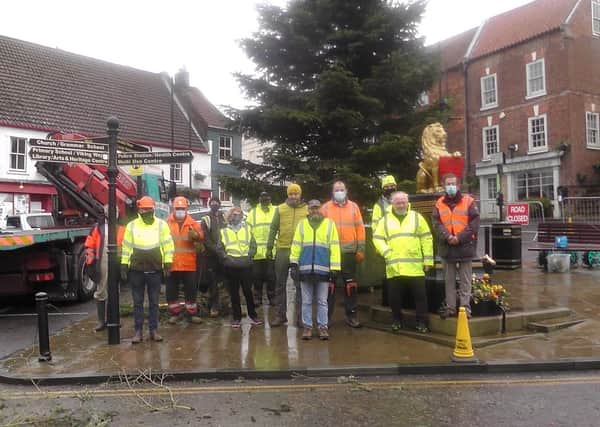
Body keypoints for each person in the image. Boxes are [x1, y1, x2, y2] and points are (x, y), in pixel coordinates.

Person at [373, 191, 434, 333]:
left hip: (415, 266)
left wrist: (428, 260)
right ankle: (396, 321)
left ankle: (421, 323)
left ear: (407, 203)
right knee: (394, 298)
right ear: (392, 204)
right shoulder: (385, 220)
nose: (401, 205)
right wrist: (387, 252)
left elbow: (427, 238)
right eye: (397, 202)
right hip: (395, 266)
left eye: (403, 202)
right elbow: (377, 238)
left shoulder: (417, 217)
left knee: (420, 297)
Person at [121, 196, 174, 343]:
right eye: (144, 209)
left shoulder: (161, 225)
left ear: (153, 210)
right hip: (136, 269)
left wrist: (168, 263)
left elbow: (168, 245)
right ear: (140, 210)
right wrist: (124, 265)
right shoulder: (131, 226)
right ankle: (138, 331)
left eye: (149, 209)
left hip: (155, 268)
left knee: (154, 302)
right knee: (137, 302)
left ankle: (153, 330)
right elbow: (126, 247)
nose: (147, 212)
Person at [290, 199, 341, 340]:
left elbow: (335, 247)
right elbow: (296, 245)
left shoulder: (329, 225)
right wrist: (294, 264)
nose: (315, 210)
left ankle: (323, 327)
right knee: (306, 301)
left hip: (323, 270)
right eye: (312, 208)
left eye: (317, 208)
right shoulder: (302, 224)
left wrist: (335, 267)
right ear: (308, 210)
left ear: (321, 209)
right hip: (305, 270)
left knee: (322, 301)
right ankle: (307, 328)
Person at [432, 173, 480, 319]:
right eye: (448, 184)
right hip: (448, 248)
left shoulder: (469, 201)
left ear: (458, 186)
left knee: (465, 280)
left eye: (453, 184)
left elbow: (474, 223)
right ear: (444, 186)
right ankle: (451, 307)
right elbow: (436, 224)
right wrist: (448, 237)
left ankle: (465, 308)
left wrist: (459, 238)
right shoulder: (439, 203)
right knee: (449, 281)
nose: (451, 186)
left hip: (464, 246)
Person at [321, 180, 365, 328]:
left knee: (350, 285)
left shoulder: (354, 207)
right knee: (329, 286)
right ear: (332, 192)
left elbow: (360, 229)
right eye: (336, 189)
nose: (339, 191)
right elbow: (320, 231)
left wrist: (361, 249)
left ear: (346, 190)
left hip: (348, 253)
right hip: (330, 254)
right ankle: (326, 317)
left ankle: (351, 315)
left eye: (341, 189)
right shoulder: (325, 208)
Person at [266, 183, 308, 327]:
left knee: (300, 285)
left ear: (300, 195)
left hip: (300, 251)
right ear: (288, 195)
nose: (293, 196)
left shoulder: (307, 210)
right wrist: (269, 245)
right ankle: (280, 315)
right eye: (291, 194)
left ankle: (301, 317)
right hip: (282, 249)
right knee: (280, 284)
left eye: (296, 194)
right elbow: (273, 228)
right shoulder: (280, 209)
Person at [217, 206, 263, 328]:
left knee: (248, 292)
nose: (236, 216)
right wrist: (226, 259)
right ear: (230, 216)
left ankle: (253, 316)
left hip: (246, 265)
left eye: (239, 214)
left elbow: (253, 245)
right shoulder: (223, 231)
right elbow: (220, 248)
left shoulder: (247, 229)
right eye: (234, 214)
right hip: (231, 266)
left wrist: (250, 256)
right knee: (234, 293)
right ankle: (236, 317)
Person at [84, 207, 125, 332]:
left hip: (117, 262)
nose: (114, 214)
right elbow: (90, 245)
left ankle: (114, 319)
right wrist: (90, 262)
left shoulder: (122, 228)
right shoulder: (98, 228)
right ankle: (101, 321)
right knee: (101, 290)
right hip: (102, 261)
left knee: (115, 291)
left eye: (116, 212)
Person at [166, 196, 205, 324]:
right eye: (178, 208)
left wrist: (197, 236)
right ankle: (175, 314)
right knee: (172, 290)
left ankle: (191, 314)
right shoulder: (167, 223)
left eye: (182, 208)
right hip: (172, 263)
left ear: (186, 209)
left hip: (189, 263)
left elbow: (201, 237)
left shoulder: (192, 223)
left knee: (191, 290)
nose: (180, 211)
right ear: (173, 208)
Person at [371, 175, 397, 307]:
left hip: (401, 242)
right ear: (383, 189)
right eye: (386, 187)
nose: (390, 188)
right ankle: (388, 300)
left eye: (392, 185)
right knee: (388, 274)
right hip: (386, 243)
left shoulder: (402, 200)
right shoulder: (378, 205)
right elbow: (375, 226)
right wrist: (378, 245)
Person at [247, 192, 276, 306]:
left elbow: (279, 228)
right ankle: (257, 297)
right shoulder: (252, 213)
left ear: (270, 199)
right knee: (256, 276)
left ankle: (272, 297)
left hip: (271, 251)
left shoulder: (276, 211)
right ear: (259, 199)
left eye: (267, 198)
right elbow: (247, 231)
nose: (265, 200)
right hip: (257, 252)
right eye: (263, 198)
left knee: (271, 277)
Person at [199, 197, 226, 317]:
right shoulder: (206, 219)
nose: (215, 204)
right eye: (212, 203)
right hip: (211, 256)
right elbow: (205, 238)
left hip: (224, 255)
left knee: (226, 281)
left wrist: (223, 250)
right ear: (210, 205)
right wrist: (216, 250)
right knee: (213, 281)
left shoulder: (224, 217)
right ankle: (214, 306)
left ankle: (227, 305)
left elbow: (228, 233)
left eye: (216, 202)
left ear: (219, 204)